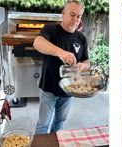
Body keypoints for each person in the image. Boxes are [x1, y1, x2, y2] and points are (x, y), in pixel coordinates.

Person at [33, 0, 90, 134]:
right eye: (72, 14)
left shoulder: (81, 38)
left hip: (69, 91)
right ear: (63, 14)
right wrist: (61, 53)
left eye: (79, 16)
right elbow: (37, 43)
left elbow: (87, 62)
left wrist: (83, 66)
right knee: (43, 124)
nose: (75, 19)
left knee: (60, 122)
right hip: (49, 88)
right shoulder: (50, 30)